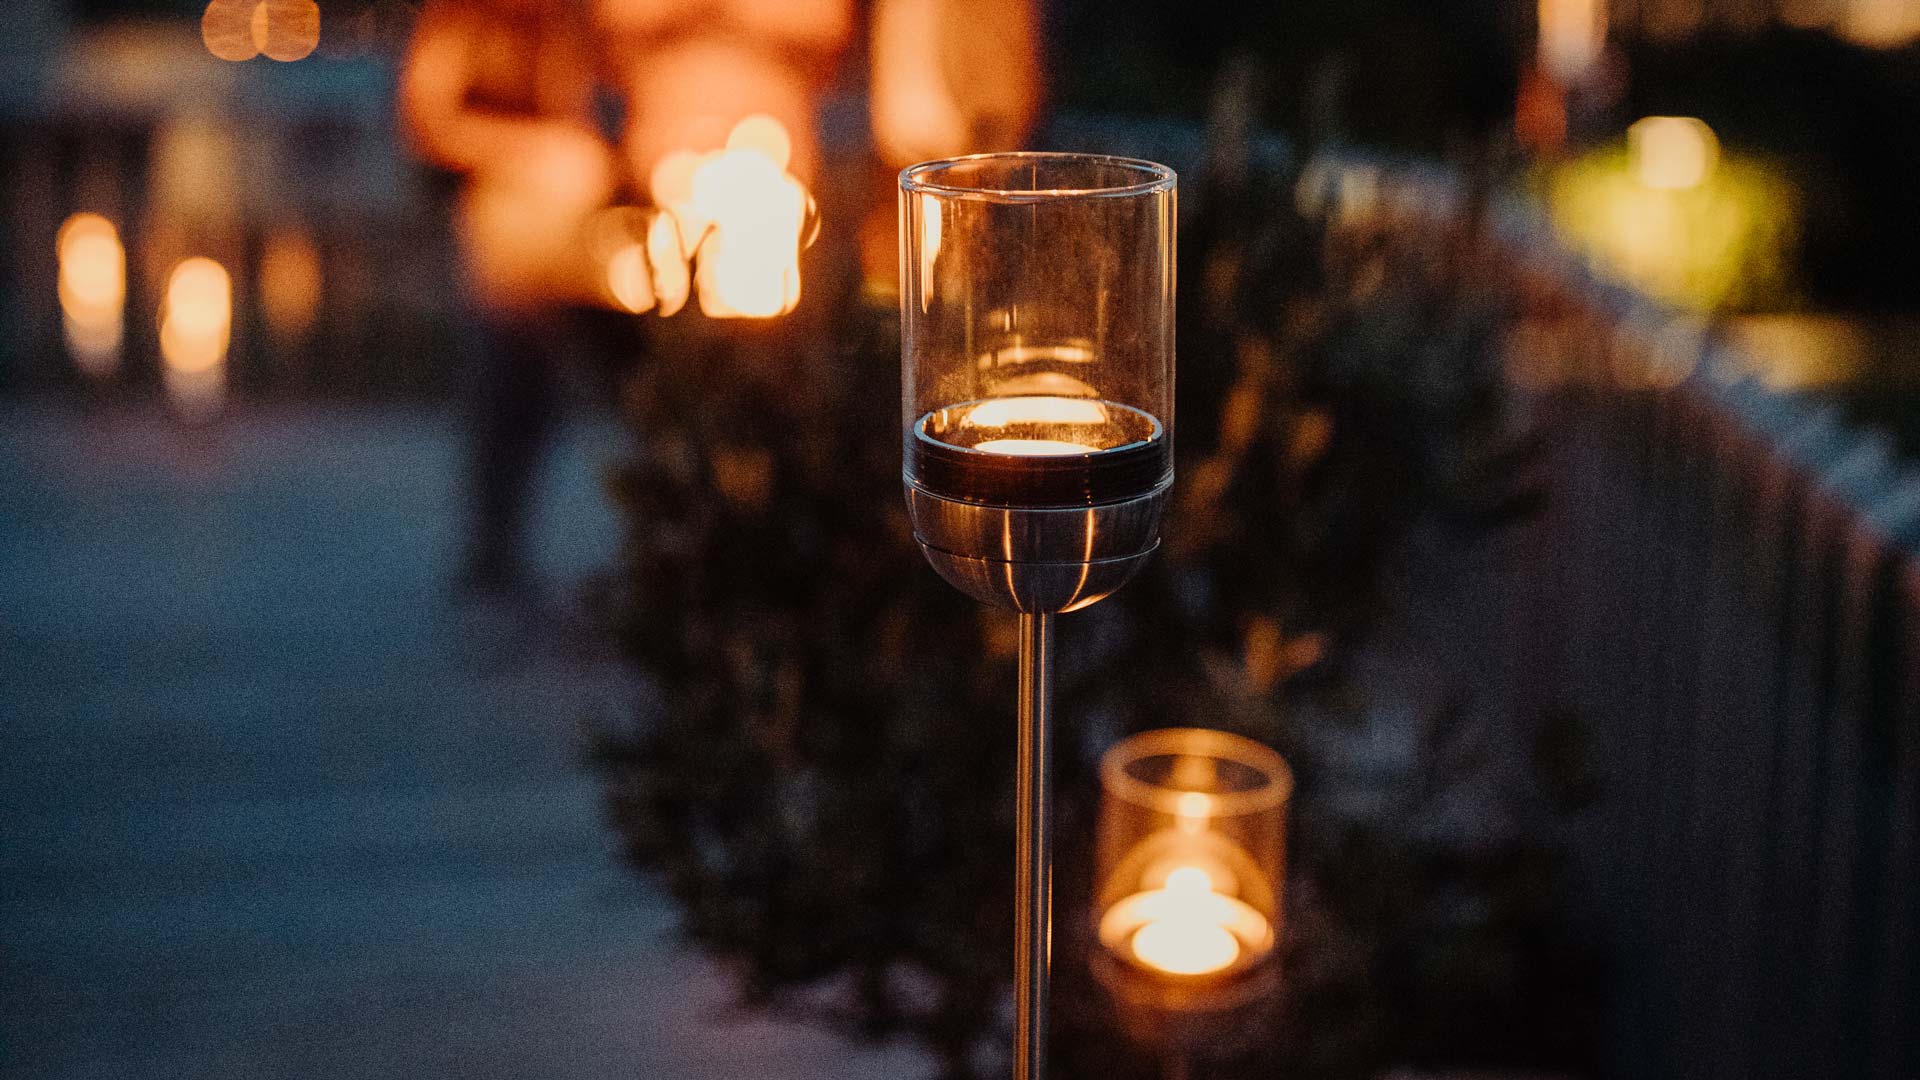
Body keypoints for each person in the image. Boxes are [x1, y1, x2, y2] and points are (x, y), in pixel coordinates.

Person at [400, 0, 616, 595]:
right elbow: (428, 122)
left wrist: (588, 155)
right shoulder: (462, 20)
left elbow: (580, 109)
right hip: (499, 225)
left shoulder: (561, 20)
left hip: (564, 231)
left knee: (541, 396)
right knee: (502, 383)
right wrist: (531, 150)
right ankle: (488, 553)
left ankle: (510, 552)